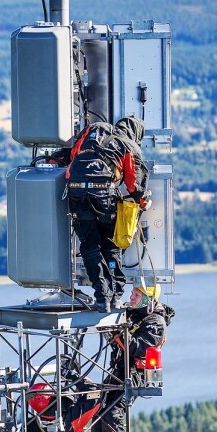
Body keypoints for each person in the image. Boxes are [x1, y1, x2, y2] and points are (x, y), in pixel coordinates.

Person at [63, 115, 148, 313]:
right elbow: (134, 184)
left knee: (90, 246)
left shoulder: (92, 131)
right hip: (103, 195)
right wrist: (143, 202)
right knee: (111, 246)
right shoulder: (129, 146)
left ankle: (102, 297)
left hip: (75, 192)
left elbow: (73, 155)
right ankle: (116, 296)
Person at [94, 283, 174, 432]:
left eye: (137, 294)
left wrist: (119, 329)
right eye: (132, 293)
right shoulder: (133, 314)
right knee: (98, 408)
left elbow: (137, 348)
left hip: (135, 373)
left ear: (148, 298)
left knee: (113, 411)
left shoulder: (155, 322)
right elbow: (114, 338)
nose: (131, 297)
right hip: (120, 369)